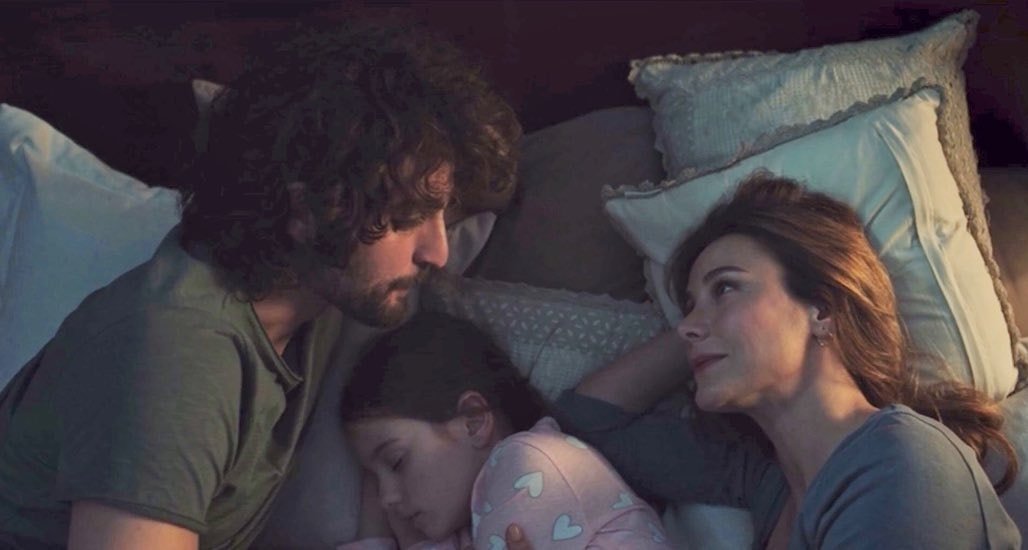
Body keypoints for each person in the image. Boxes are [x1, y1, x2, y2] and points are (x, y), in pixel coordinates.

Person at [0, 19, 520, 550]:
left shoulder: (312, 292)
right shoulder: (179, 356)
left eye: (442, 215)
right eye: (408, 217)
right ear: (307, 208)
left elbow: (500, 180)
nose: (437, 253)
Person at [543, 174, 1021, 548]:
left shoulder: (900, 461)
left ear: (823, 309)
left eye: (725, 287)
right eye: (687, 306)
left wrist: (714, 328)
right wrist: (706, 325)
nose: (686, 325)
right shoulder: (762, 479)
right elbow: (586, 423)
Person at [337, 311, 674, 550]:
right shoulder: (466, 526)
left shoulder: (529, 464)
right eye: (373, 478)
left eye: (396, 462)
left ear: (473, 420)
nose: (386, 498)